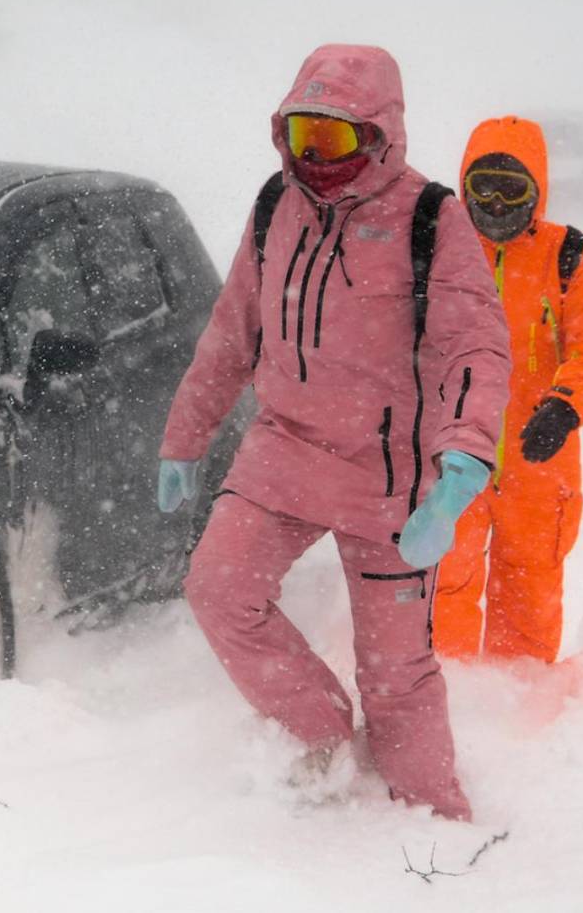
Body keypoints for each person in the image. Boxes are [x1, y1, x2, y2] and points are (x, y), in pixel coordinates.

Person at [156, 45, 511, 821]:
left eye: (337, 138)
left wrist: (462, 458)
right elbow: (229, 337)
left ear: (379, 134)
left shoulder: (431, 219)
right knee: (218, 589)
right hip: (282, 451)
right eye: (303, 134)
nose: (315, 157)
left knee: (395, 671)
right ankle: (317, 728)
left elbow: (474, 346)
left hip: (389, 476)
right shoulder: (272, 207)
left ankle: (432, 816)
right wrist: (184, 438)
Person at [431, 116, 583, 664]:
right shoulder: (440, 246)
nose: (495, 203)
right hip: (451, 454)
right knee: (443, 581)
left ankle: (519, 708)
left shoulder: (568, 255)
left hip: (539, 460)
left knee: (530, 586)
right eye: (482, 186)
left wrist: (565, 408)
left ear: (538, 190)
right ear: (463, 185)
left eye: (511, 189)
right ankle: (445, 693)